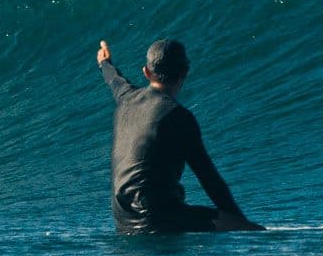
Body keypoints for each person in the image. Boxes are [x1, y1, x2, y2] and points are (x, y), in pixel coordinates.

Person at [96, 38, 261, 234]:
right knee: (254, 231)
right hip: (159, 220)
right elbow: (209, 179)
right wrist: (241, 223)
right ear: (185, 73)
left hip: (124, 223)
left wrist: (105, 63)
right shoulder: (178, 116)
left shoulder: (126, 99)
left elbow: (115, 81)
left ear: (146, 72)